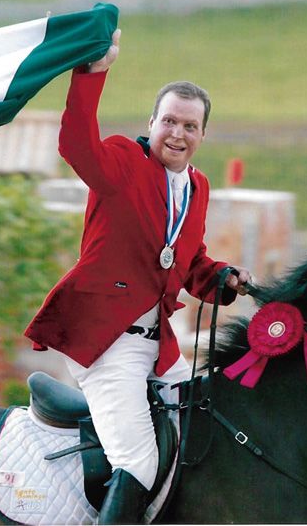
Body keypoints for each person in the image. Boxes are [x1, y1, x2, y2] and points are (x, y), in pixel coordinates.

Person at [24, 30, 251, 524]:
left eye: (189, 125)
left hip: (158, 346)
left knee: (202, 438)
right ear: (152, 122)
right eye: (169, 121)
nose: (177, 133)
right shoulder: (123, 161)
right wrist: (92, 74)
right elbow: (76, 145)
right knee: (139, 462)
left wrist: (224, 278)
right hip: (107, 343)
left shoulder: (198, 186)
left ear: (203, 135)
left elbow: (188, 265)